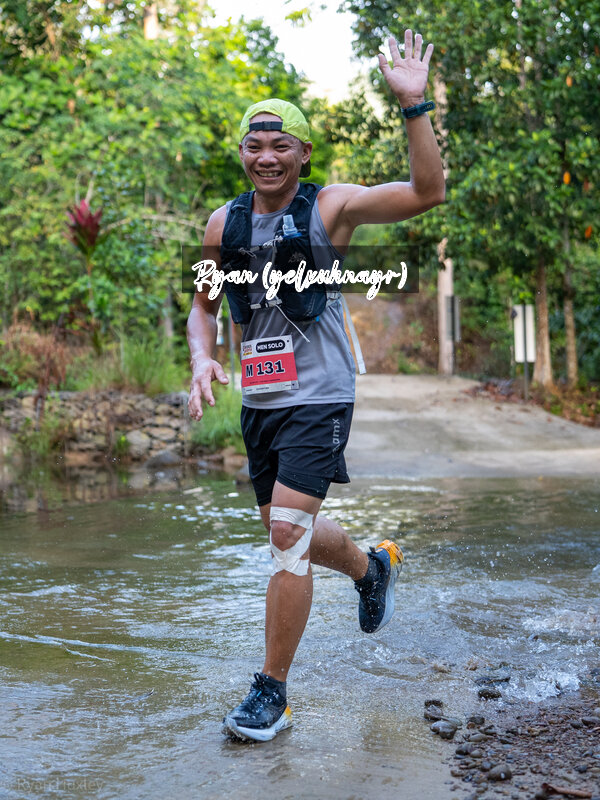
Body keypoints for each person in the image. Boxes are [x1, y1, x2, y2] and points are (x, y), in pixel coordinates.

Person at [187, 29, 445, 742]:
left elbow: (427, 193)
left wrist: (414, 104)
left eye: (281, 146)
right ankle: (371, 569)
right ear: (243, 154)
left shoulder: (329, 208)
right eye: (254, 146)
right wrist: (202, 359)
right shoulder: (223, 223)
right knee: (285, 529)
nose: (266, 157)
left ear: (303, 153)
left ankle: (272, 692)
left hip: (322, 392)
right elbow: (201, 307)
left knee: (286, 534)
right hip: (261, 398)